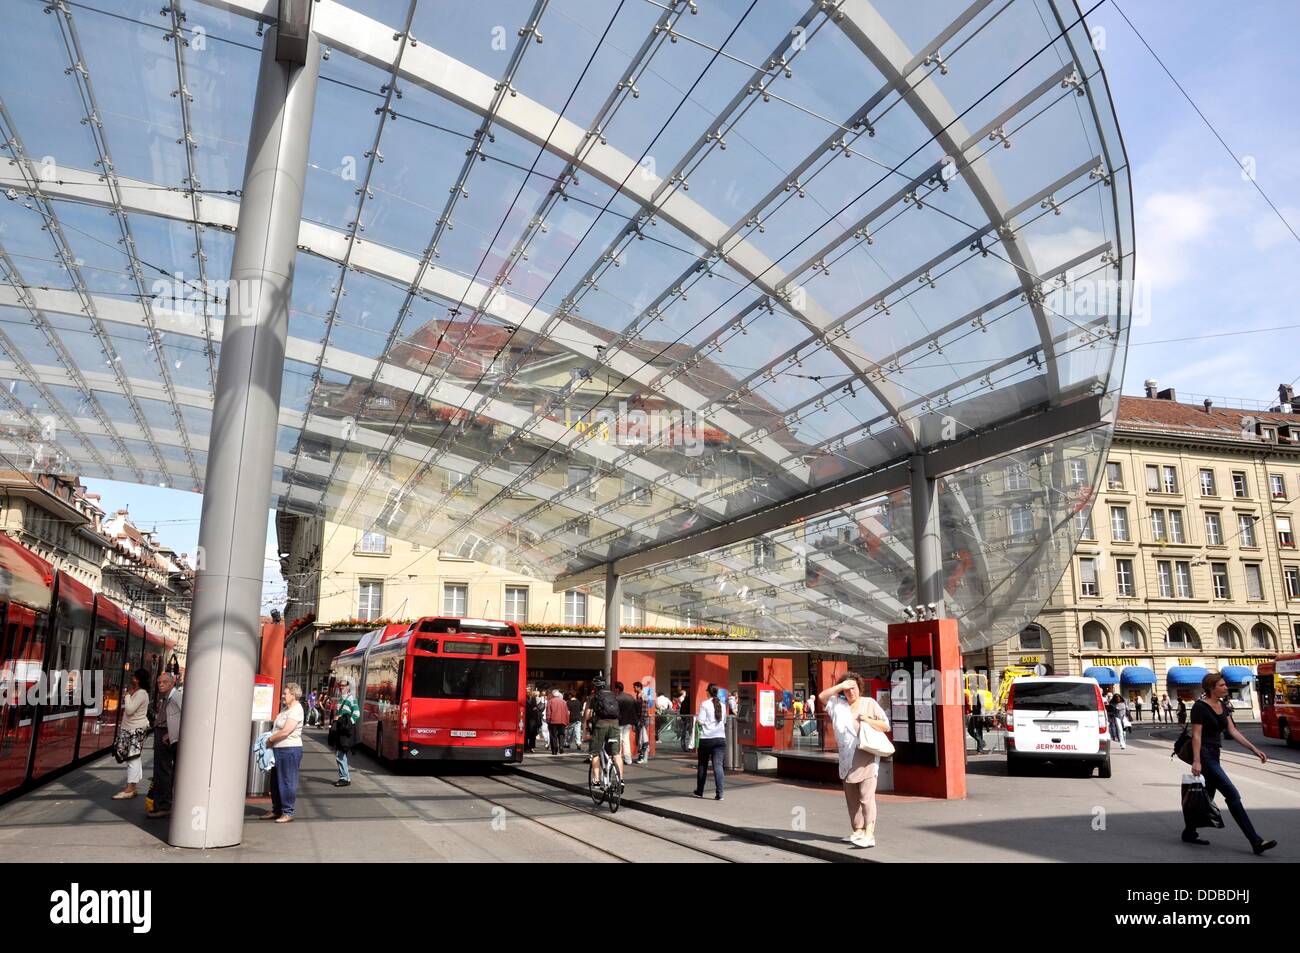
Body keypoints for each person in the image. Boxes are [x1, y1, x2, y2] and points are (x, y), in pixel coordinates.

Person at [1182, 672, 1276, 854]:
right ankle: (1255, 841)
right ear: (1211, 688)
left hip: (1215, 754)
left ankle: (1189, 831)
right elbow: (1196, 735)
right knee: (1232, 794)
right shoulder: (1200, 708)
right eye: (1222, 685)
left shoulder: (1223, 706)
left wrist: (1254, 749)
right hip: (1204, 755)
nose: (1226, 687)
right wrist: (1196, 761)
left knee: (1206, 797)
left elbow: (1232, 731)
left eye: (1226, 685)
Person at [820, 673, 890, 848]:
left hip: (865, 753)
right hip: (846, 756)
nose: (851, 692)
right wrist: (840, 686)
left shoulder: (869, 703)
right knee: (851, 797)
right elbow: (822, 696)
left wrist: (867, 719)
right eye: (848, 689)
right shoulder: (837, 704)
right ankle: (857, 830)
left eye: (854, 688)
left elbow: (885, 725)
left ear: (860, 688)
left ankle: (869, 833)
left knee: (866, 796)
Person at [262, 682, 304, 823]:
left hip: (290, 750)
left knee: (287, 781)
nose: (283, 696)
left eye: (285, 693)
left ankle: (288, 812)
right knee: (275, 781)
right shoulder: (286, 709)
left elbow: (286, 731)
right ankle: (277, 810)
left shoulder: (296, 710)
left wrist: (271, 739)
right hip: (278, 749)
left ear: (293, 695)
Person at [147, 672, 182, 818]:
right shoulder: (167, 698)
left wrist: (171, 733)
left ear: (172, 683)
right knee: (163, 771)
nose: (160, 684)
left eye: (164, 682)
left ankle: (163, 805)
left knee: (164, 771)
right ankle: (162, 803)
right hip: (164, 734)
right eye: (159, 682)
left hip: (167, 736)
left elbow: (185, 715)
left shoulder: (175, 697)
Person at [113, 668, 151, 800]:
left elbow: (129, 710)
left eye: (134, 677)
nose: (132, 679)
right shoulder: (140, 693)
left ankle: (130, 789)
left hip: (135, 730)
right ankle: (133, 787)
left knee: (132, 759)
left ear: (138, 679)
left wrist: (127, 695)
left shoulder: (140, 694)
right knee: (134, 758)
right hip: (132, 729)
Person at [585, 677, 623, 787]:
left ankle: (596, 780)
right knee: (616, 754)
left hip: (601, 725)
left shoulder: (594, 697)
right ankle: (621, 780)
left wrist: (587, 723)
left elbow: (588, 715)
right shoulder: (612, 695)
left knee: (595, 753)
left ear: (595, 686)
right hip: (615, 724)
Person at [693, 683, 727, 800]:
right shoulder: (722, 705)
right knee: (718, 766)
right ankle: (720, 793)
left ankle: (700, 791)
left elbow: (701, 721)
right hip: (720, 739)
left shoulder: (705, 704)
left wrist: (697, 721)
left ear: (708, 692)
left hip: (707, 739)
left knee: (702, 765)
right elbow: (724, 721)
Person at [332, 677, 359, 786]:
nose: (341, 687)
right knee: (340, 753)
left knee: (340, 754)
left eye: (343, 685)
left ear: (348, 687)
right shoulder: (341, 698)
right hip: (340, 730)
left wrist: (348, 724)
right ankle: (346, 777)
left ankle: (344, 778)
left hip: (344, 731)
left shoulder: (351, 698)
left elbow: (357, 713)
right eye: (340, 685)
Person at [616, 681, 639, 763]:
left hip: (620, 722)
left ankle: (617, 758)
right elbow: (636, 708)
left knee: (619, 739)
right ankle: (628, 759)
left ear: (617, 689)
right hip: (629, 721)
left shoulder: (617, 698)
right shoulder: (630, 697)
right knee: (626, 740)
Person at [546, 689, 570, 755]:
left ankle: (554, 749)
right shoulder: (564, 702)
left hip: (553, 721)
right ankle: (561, 747)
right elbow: (566, 713)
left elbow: (548, 712)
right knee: (561, 734)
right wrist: (567, 721)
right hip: (562, 721)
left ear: (553, 695)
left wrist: (548, 720)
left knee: (553, 735)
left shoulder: (550, 701)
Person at [524, 688, 541, 753]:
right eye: (527, 691)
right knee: (525, 733)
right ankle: (525, 747)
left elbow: (535, 708)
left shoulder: (533, 698)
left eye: (529, 691)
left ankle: (531, 747)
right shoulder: (524, 698)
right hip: (526, 718)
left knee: (532, 733)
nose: (528, 692)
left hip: (532, 718)